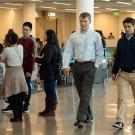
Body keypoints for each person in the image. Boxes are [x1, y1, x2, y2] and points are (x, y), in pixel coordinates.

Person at [63, 12, 104, 128]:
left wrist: (95, 65)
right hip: (77, 66)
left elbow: (100, 52)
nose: (83, 23)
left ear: (89, 22)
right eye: (81, 21)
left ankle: (80, 119)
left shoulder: (95, 35)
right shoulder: (73, 36)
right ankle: (89, 114)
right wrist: (65, 66)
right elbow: (68, 52)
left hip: (90, 66)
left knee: (85, 93)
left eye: (85, 21)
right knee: (82, 94)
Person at [112, 17, 135, 129]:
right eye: (125, 27)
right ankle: (120, 121)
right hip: (123, 74)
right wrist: (114, 71)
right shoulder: (121, 41)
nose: (127, 29)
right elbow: (118, 58)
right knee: (121, 98)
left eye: (129, 27)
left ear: (133, 27)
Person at [0, 32, 28, 122]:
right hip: (20, 73)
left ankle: (16, 117)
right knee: (19, 96)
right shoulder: (20, 47)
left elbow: (2, 59)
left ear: (8, 41)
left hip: (11, 74)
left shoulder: (7, 50)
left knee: (13, 97)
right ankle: (19, 116)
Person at [34, 29, 62, 116]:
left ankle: (51, 110)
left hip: (50, 73)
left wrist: (35, 58)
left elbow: (46, 60)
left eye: (45, 34)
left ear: (48, 36)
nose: (44, 35)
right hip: (49, 72)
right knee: (48, 90)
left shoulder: (50, 46)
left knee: (50, 90)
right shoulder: (51, 46)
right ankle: (48, 109)